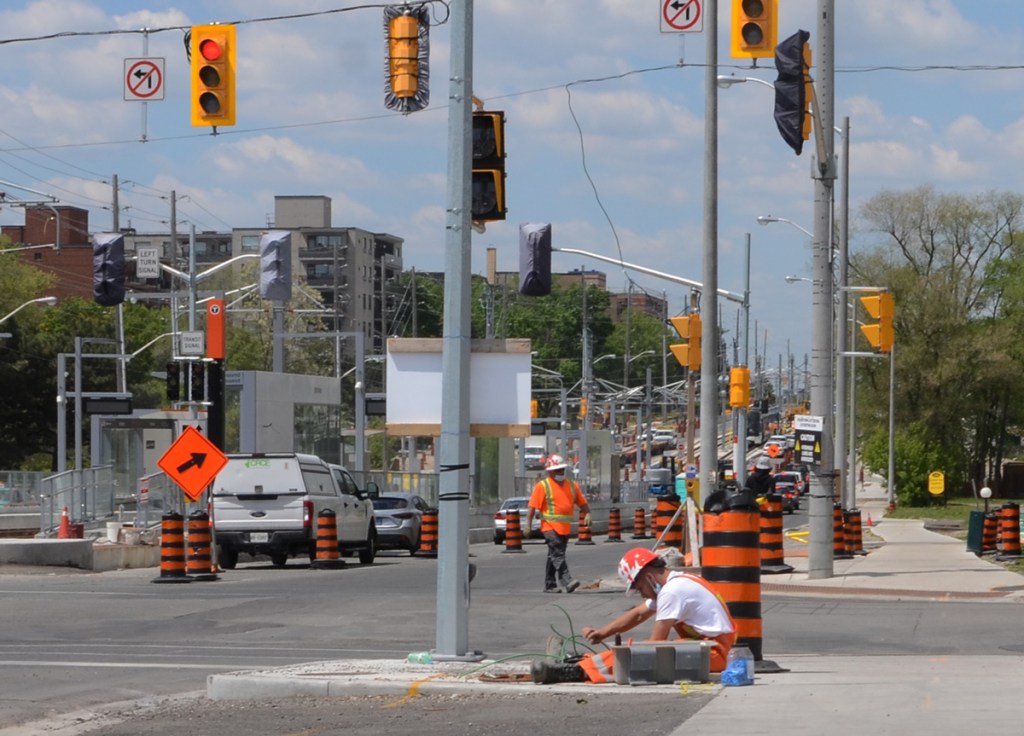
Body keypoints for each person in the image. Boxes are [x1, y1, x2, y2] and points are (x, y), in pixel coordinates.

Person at [531, 548, 735, 684]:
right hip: (709, 650)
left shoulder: (672, 592)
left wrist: (628, 651)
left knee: (641, 654)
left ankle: (574, 671)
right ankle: (580, 664)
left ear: (648, 576)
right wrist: (603, 633)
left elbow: (656, 644)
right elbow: (638, 614)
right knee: (638, 652)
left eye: (639, 588)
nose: (642, 593)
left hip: (715, 654)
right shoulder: (675, 583)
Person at [525, 454, 591, 594]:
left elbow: (582, 502)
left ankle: (549, 585)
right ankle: (567, 581)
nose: (560, 473)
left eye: (562, 469)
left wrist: (588, 513)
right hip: (549, 527)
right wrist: (528, 525)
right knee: (558, 553)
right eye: (557, 470)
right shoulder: (543, 486)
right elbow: (532, 507)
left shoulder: (572, 485)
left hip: (564, 529)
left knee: (553, 556)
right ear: (550, 471)